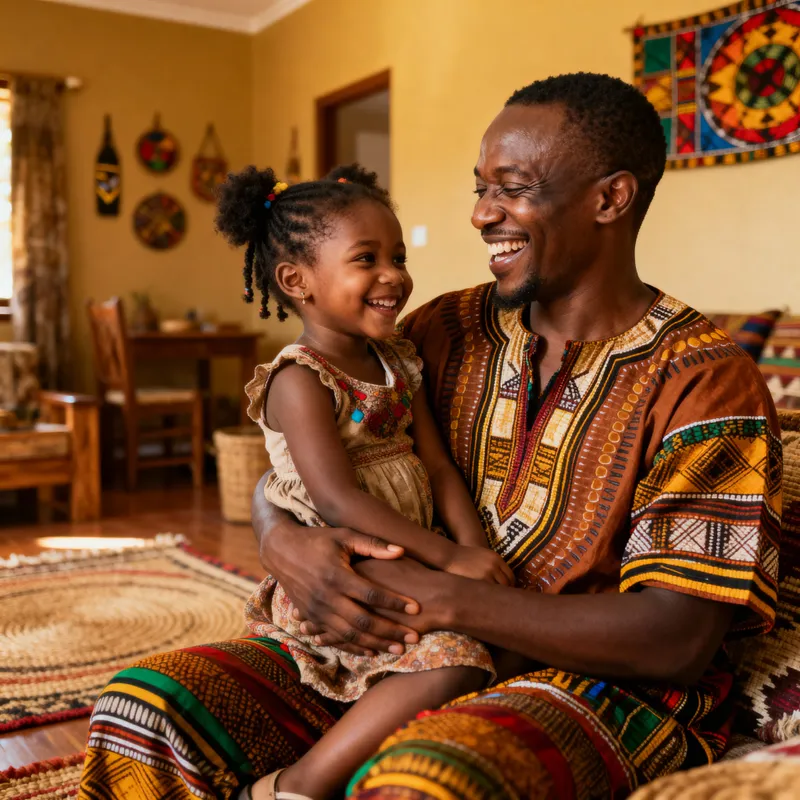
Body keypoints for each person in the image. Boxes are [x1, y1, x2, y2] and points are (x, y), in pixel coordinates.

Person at [78, 73, 781, 800]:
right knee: (145, 709)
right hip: (398, 654)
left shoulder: (704, 380)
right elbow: (314, 465)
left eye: (512, 187)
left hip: (606, 689)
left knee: (423, 786)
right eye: (479, 188)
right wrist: (277, 538)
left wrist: (439, 595)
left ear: (610, 199)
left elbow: (675, 642)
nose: (482, 214)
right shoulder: (435, 334)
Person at [214, 162, 512, 799]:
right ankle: (296, 786)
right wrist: (447, 556)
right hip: (348, 565)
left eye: (398, 256)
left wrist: (472, 547)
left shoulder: (398, 358)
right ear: (297, 281)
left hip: (413, 549)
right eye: (366, 259)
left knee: (481, 646)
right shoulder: (299, 379)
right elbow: (336, 499)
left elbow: (437, 465)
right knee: (453, 664)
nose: (394, 276)